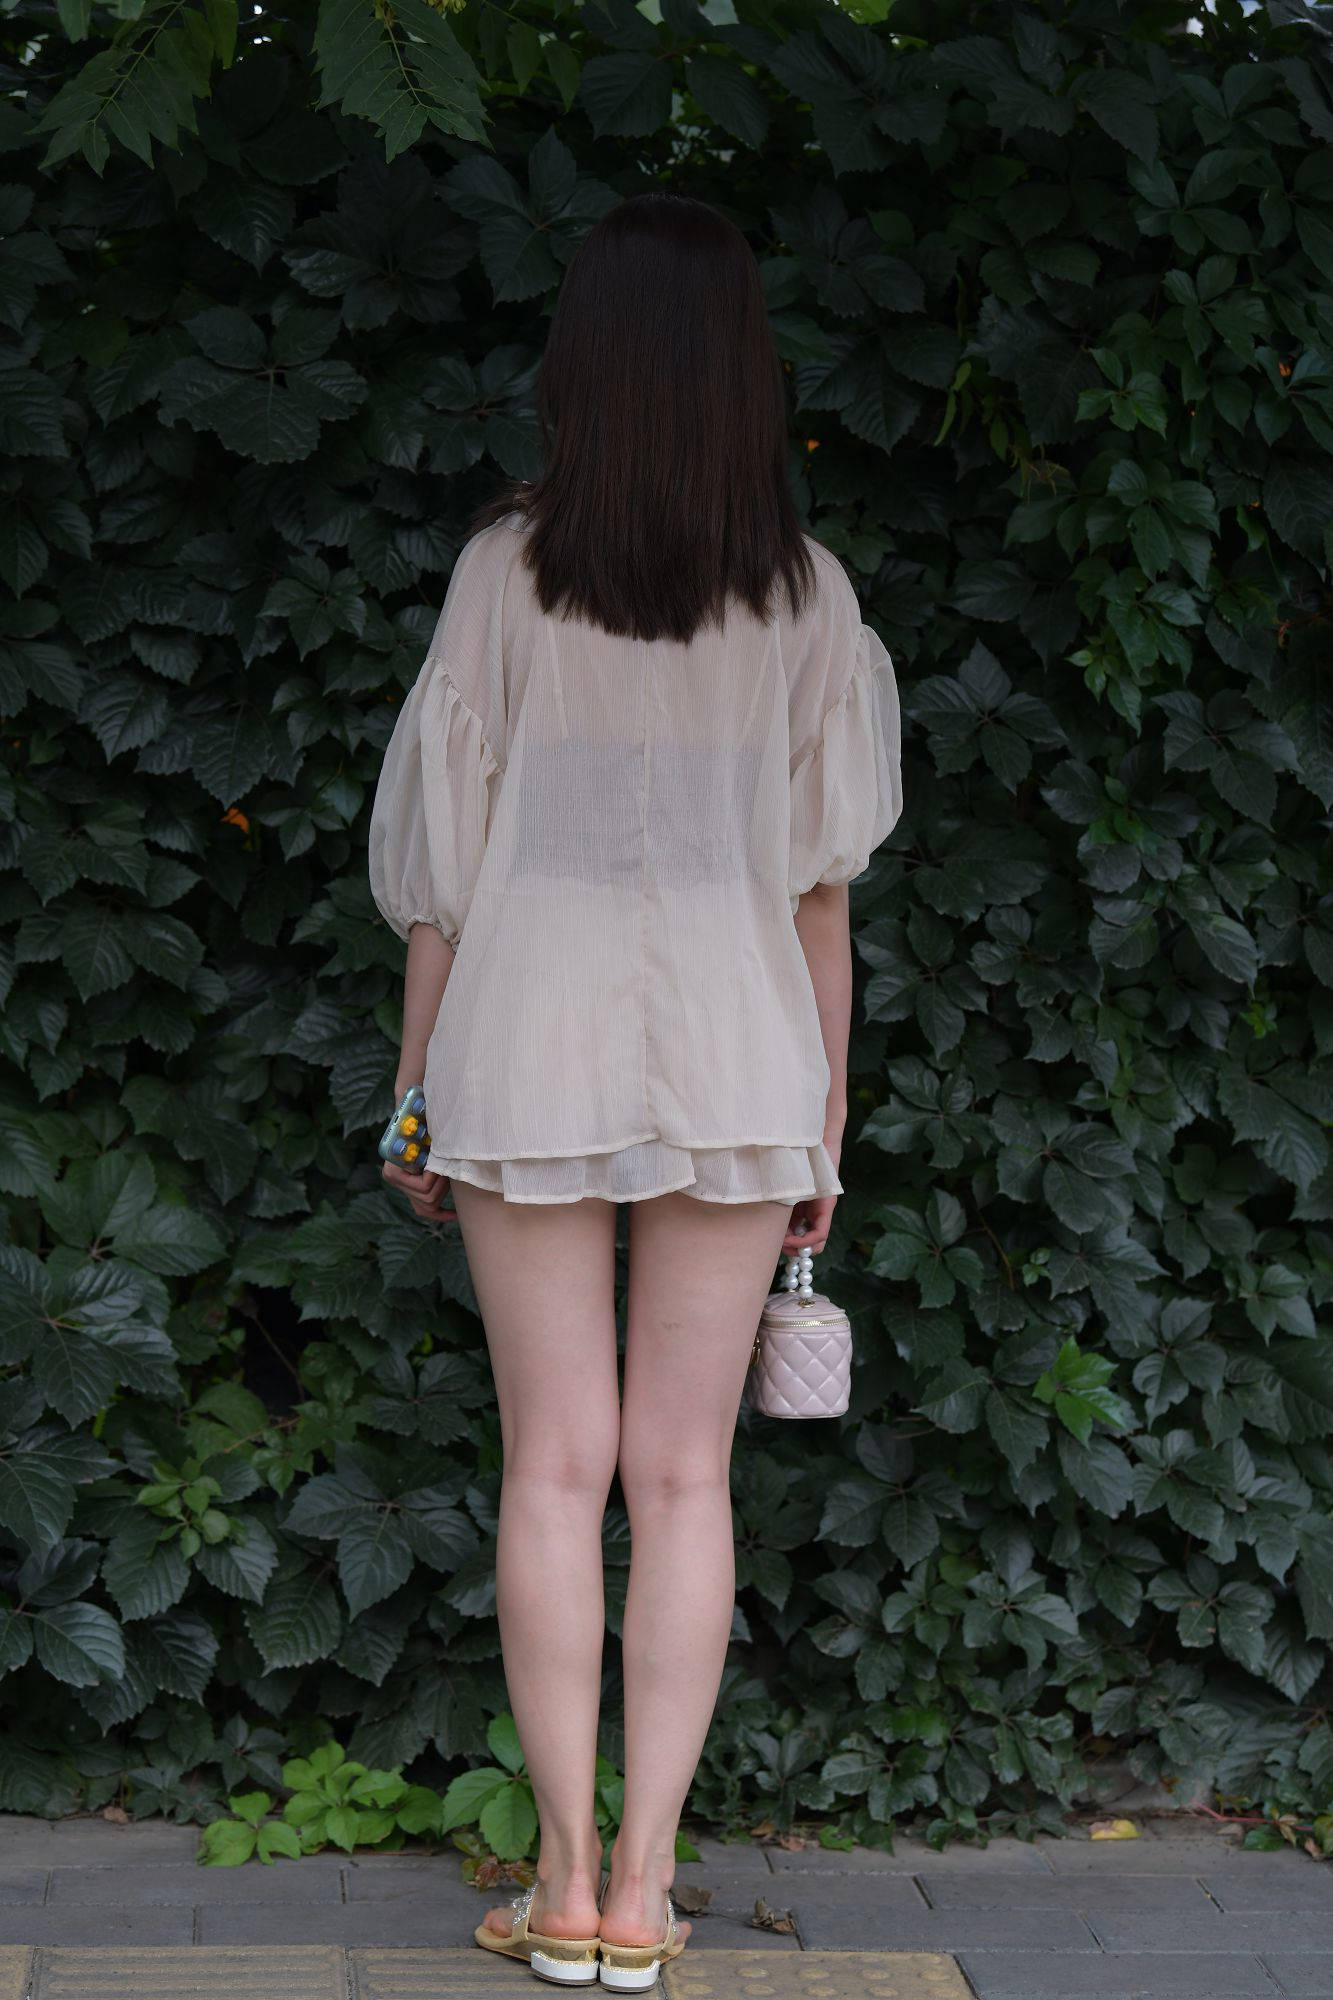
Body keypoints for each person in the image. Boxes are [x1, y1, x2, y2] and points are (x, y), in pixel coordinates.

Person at [367, 189, 903, 1986]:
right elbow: (820, 900)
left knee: (552, 1469)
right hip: (743, 1057)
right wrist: (824, 1121)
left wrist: (414, 1091)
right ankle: (649, 1890)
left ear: (577, 362)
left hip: (523, 1043)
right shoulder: (805, 597)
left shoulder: (503, 574)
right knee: (682, 1476)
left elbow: (444, 878)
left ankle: (563, 1875)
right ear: (745, 368)